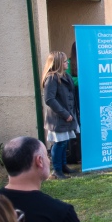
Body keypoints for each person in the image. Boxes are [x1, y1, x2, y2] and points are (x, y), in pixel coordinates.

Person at [41, 50, 79, 179]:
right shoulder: (52, 78)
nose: (67, 62)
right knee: (59, 143)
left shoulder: (65, 76)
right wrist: (64, 114)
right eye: (64, 61)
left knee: (65, 142)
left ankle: (63, 166)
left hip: (68, 115)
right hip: (58, 118)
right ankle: (57, 170)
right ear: (57, 63)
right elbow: (49, 99)